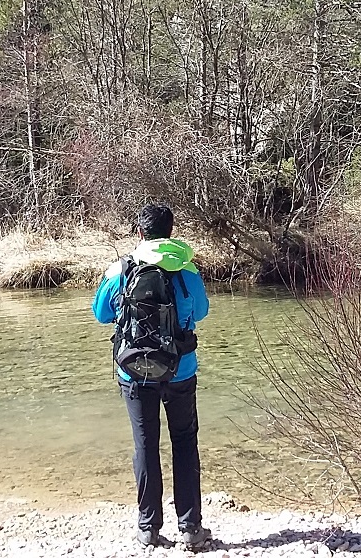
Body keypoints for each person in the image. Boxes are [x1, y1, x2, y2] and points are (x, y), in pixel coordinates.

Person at [93, 202, 212, 549]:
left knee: (145, 445)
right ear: (170, 232)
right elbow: (201, 312)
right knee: (185, 442)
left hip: (133, 373)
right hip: (180, 370)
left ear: (140, 233)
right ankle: (190, 529)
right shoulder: (186, 269)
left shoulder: (121, 269)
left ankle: (148, 528)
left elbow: (100, 314)